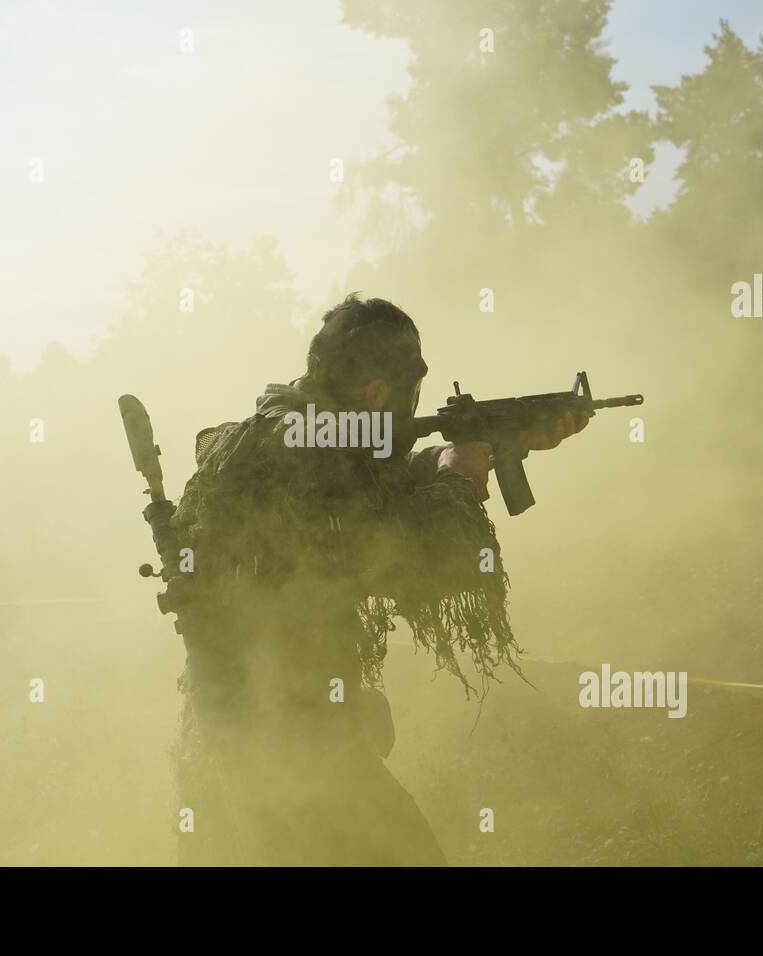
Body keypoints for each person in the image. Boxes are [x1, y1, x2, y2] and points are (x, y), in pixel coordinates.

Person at [167, 293, 589, 865]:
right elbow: (413, 553)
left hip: (231, 731)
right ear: (375, 391)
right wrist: (461, 480)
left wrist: (482, 450)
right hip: (287, 748)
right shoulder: (302, 455)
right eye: (406, 393)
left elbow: (367, 495)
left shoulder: (285, 435)